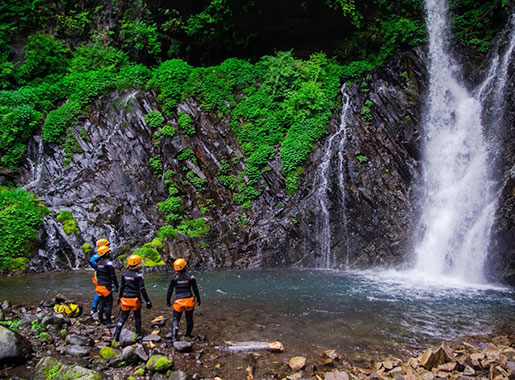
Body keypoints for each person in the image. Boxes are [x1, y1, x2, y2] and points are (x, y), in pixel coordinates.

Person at [112, 254, 152, 342]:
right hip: (135, 299)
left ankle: (116, 336)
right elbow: (142, 289)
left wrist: (119, 297)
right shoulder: (139, 275)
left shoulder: (125, 274)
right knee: (137, 316)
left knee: (123, 317)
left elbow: (122, 287)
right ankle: (138, 334)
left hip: (125, 299)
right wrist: (148, 301)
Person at [166, 258, 201, 342]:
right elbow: (195, 289)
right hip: (189, 300)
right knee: (189, 319)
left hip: (179, 302)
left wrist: (168, 301)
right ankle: (188, 335)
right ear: (185, 266)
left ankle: (174, 338)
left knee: (175, 319)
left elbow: (170, 290)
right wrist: (199, 299)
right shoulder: (190, 277)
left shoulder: (174, 278)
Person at [95, 245, 118, 327]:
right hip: (106, 287)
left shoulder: (98, 263)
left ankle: (99, 320)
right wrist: (117, 286)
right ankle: (108, 322)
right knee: (108, 304)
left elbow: (98, 275)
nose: (110, 252)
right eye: (108, 251)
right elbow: (113, 276)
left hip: (99, 286)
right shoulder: (109, 263)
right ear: (105, 253)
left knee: (101, 303)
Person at [89, 238, 109, 315]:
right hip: (100, 276)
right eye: (107, 245)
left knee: (99, 292)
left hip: (98, 275)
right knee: (101, 292)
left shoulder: (99, 253)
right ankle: (100, 308)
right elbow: (91, 260)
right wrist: (97, 268)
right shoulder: (100, 254)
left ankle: (95, 308)